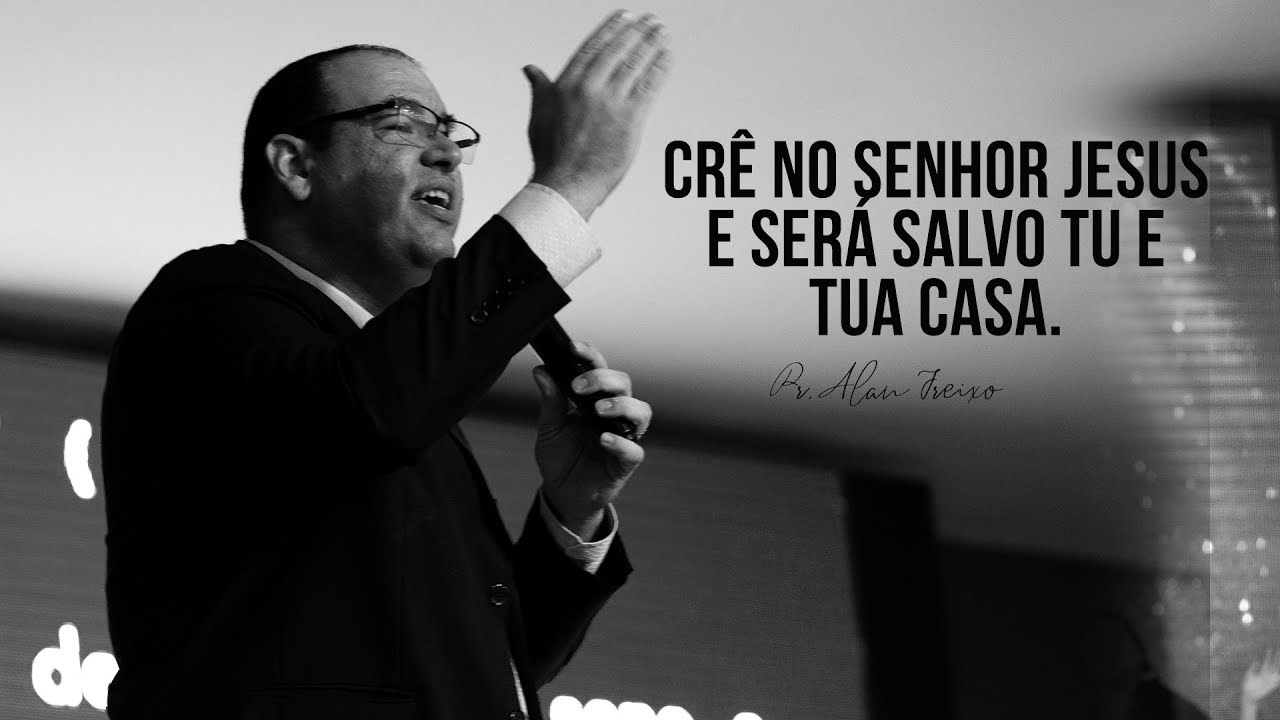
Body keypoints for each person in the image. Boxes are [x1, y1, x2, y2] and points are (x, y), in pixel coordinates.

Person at [99, 10, 670, 720]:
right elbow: (368, 409)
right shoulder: (207, 301)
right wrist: (569, 184)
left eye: (451, 133)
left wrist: (572, 508)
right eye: (402, 123)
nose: (447, 154)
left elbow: (486, 663)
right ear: (296, 165)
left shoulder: (393, 391)